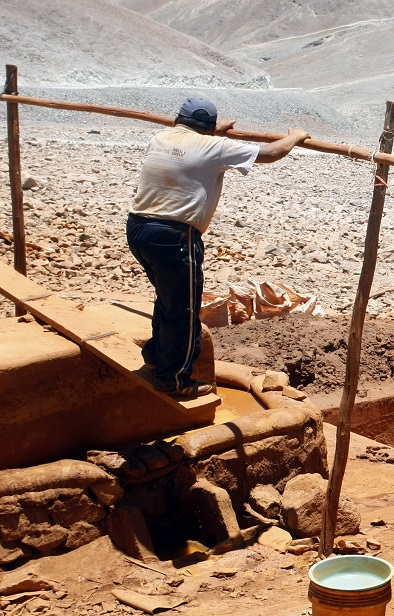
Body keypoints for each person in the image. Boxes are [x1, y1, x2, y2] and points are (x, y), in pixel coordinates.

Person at [127, 98, 310, 397]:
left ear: (179, 120)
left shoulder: (161, 138)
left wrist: (213, 132)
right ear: (209, 128)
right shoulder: (215, 148)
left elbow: (190, 147)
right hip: (174, 236)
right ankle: (174, 380)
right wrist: (296, 135)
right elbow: (272, 152)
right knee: (184, 310)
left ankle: (156, 357)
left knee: (168, 297)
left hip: (138, 228)